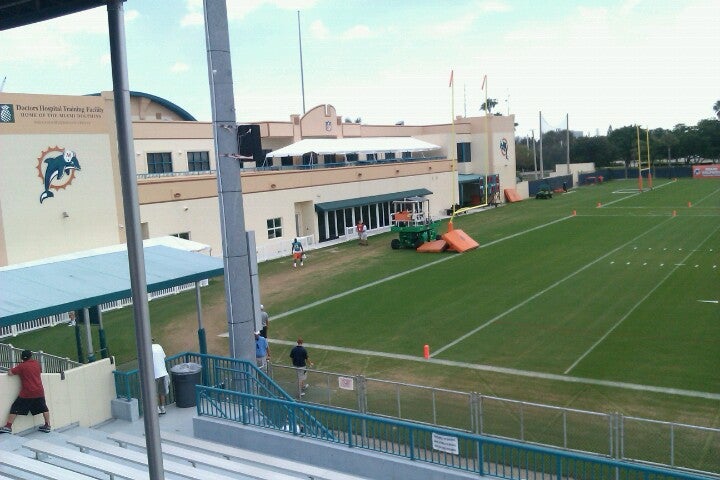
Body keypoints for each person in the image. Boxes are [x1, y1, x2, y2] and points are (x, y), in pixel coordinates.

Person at [1, 350, 51, 434]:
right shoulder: (36, 363)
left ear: (22, 358)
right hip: (39, 391)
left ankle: (8, 427)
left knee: (15, 407)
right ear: (31, 356)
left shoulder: (21, 366)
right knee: (44, 408)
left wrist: (13, 368)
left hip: (27, 393)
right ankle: (47, 425)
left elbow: (10, 373)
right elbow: (39, 371)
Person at [151, 339, 169, 415]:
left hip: (154, 374)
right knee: (162, 392)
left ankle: (157, 409)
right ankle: (162, 408)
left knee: (153, 392)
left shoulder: (146, 349)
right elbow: (163, 357)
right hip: (163, 373)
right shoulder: (158, 346)